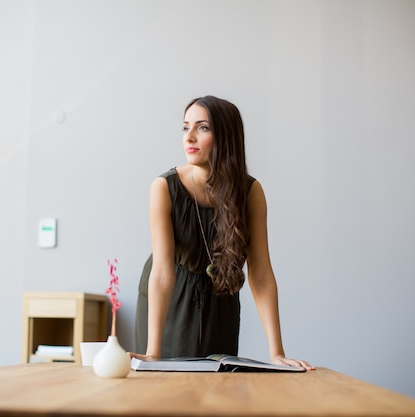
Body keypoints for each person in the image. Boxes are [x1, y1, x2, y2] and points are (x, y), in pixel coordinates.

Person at [133, 95, 313, 370]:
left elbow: (261, 274)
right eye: (185, 127)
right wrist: (152, 352)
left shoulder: (250, 192)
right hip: (169, 301)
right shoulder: (163, 187)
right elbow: (161, 273)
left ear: (225, 137)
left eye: (202, 128)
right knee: (164, 389)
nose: (189, 137)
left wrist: (276, 354)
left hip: (220, 300)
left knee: (217, 391)